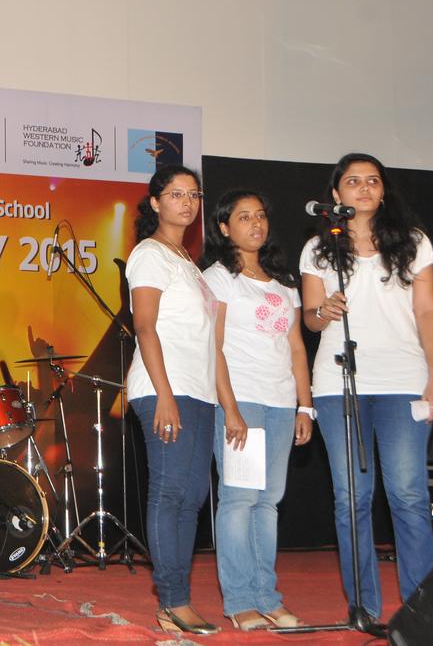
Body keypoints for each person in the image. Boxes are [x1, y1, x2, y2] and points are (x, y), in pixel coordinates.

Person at [300, 152, 433, 621]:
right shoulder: (318, 249)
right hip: (338, 383)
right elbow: (310, 318)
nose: (364, 188)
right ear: (336, 193)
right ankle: (362, 606)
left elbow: (427, 310)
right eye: (353, 181)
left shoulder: (413, 242)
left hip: (404, 380)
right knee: (352, 498)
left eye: (373, 181)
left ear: (383, 191)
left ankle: (422, 614)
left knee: (408, 495)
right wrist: (324, 311)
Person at [200, 189, 314, 630]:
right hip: (242, 398)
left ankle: (268, 596)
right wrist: (230, 408)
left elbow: (297, 348)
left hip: (282, 401)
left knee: (268, 502)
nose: (256, 224)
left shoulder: (284, 282)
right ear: (224, 227)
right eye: (244, 217)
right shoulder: (218, 278)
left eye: (260, 215)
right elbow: (214, 347)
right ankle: (240, 600)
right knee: (239, 499)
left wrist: (305, 406)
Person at [125, 165, 219, 635]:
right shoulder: (149, 254)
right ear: (156, 203)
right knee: (170, 492)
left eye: (193, 194)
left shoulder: (188, 262)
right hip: (165, 388)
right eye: (176, 194)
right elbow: (145, 327)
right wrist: (164, 394)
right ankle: (172, 600)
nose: (187, 202)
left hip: (198, 391)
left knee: (192, 497)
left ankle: (178, 597)